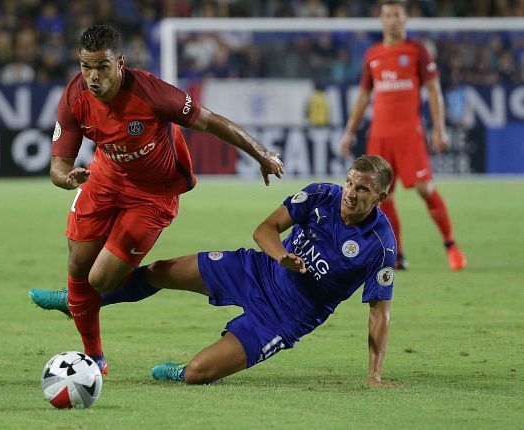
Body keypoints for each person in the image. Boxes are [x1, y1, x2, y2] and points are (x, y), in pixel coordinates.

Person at [29, 25, 284, 375]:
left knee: (100, 280)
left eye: (102, 66)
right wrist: (67, 178)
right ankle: (95, 358)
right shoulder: (74, 96)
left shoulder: (153, 93)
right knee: (77, 266)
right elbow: (58, 164)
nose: (92, 76)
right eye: (86, 67)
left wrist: (261, 153)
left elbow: (210, 121)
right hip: (104, 177)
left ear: (120, 62)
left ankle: (77, 301)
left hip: (153, 194)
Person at [31, 155, 402, 387]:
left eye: (363, 189)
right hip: (255, 270)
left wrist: (374, 375)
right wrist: (280, 258)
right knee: (162, 270)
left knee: (197, 373)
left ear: (380, 198)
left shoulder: (380, 245)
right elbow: (264, 231)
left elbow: (378, 313)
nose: (351, 192)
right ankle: (79, 300)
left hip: (284, 319)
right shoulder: (322, 194)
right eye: (350, 181)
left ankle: (182, 371)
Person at [339, 0, 466, 271]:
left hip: (409, 134)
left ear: (405, 18)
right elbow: (363, 96)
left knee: (425, 189)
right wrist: (349, 132)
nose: (392, 20)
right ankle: (397, 255)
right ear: (381, 19)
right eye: (388, 15)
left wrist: (440, 128)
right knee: (382, 195)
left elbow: (433, 89)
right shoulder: (373, 54)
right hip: (380, 136)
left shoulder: (417, 51)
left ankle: (451, 245)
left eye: (397, 15)